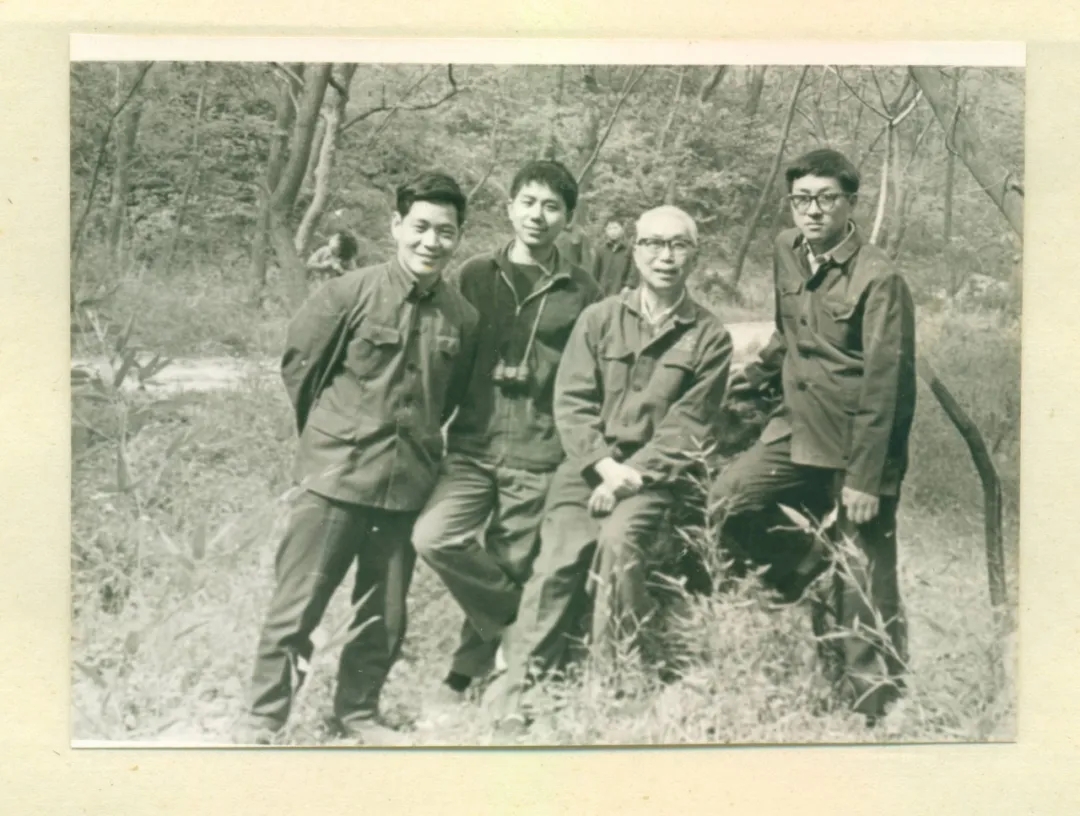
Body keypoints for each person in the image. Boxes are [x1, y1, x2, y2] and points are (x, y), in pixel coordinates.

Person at [238, 172, 479, 745]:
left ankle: (359, 714)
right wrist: (330, 441)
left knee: (384, 614)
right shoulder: (347, 294)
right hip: (334, 479)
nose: (431, 241)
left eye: (445, 232)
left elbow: (449, 398)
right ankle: (264, 720)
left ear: (458, 238)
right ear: (396, 226)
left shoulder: (463, 317)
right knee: (298, 605)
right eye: (420, 226)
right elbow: (301, 369)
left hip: (407, 484)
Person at [488, 205, 733, 738]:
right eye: (653, 244)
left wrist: (629, 477)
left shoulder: (709, 335)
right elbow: (571, 401)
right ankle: (523, 690)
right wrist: (602, 467)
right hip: (586, 467)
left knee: (619, 545)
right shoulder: (599, 318)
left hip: (653, 479)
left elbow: (689, 424)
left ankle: (617, 682)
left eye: (678, 245)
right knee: (558, 557)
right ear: (635, 251)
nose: (665, 257)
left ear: (695, 256)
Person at [708, 148, 917, 723]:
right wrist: (752, 378)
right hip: (794, 428)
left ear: (851, 203)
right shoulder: (786, 249)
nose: (813, 210)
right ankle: (804, 570)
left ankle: (876, 706)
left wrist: (867, 479)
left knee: (864, 572)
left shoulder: (880, 279)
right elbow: (788, 333)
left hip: (856, 443)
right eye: (802, 199)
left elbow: (888, 388)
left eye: (827, 198)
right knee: (727, 499)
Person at [411, 160, 602, 717]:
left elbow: (588, 376)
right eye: (528, 202)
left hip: (539, 450)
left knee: (511, 558)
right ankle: (522, 622)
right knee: (435, 538)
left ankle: (466, 673)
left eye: (552, 206)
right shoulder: (474, 274)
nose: (537, 216)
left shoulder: (583, 290)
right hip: (472, 444)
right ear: (509, 207)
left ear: (568, 218)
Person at [590, 218, 638, 296]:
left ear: (622, 229)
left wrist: (629, 286)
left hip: (622, 291)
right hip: (603, 291)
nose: (612, 231)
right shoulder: (601, 250)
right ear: (606, 231)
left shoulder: (630, 249)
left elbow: (633, 271)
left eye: (615, 228)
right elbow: (595, 271)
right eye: (609, 228)